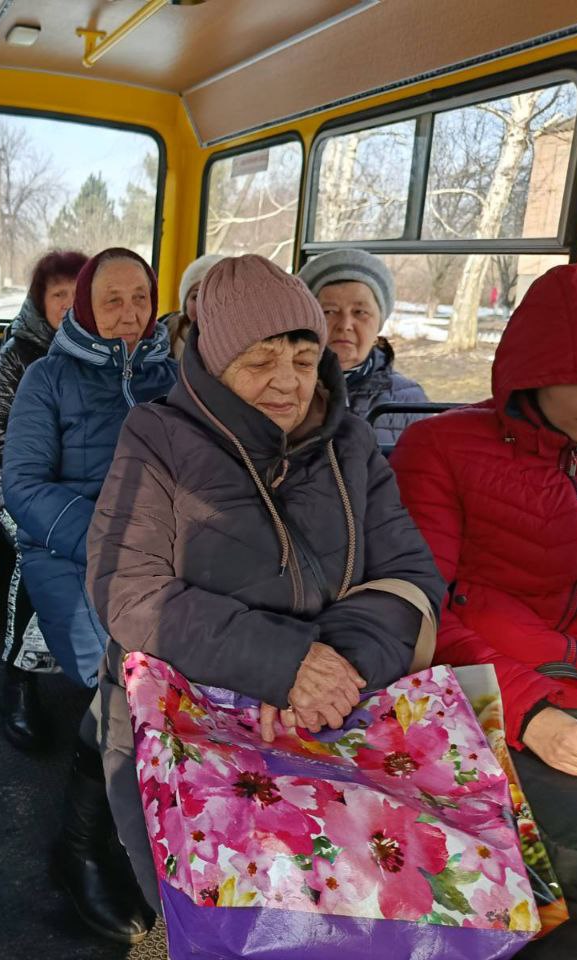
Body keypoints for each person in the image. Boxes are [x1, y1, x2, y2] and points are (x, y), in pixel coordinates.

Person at [88, 254, 443, 917]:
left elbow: (411, 577)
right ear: (216, 365)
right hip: (190, 704)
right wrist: (282, 663)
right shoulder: (158, 437)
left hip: (331, 703)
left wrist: (331, 671)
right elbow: (128, 589)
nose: (287, 382)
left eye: (304, 362)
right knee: (212, 907)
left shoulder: (350, 443)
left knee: (367, 898)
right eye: (260, 362)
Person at [391, 262, 577, 957]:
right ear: (534, 369)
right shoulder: (442, 449)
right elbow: (420, 607)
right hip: (495, 713)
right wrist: (528, 713)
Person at [3, 248, 177, 944]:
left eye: (141, 299)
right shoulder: (46, 378)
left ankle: (164, 819)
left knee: (188, 665)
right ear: (84, 309)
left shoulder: (177, 377)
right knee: (123, 670)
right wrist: (111, 541)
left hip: (166, 556)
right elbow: (24, 485)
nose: (130, 315)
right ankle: (80, 846)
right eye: (112, 301)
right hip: (68, 550)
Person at [0, 249, 87, 751]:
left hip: (90, 488)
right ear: (39, 302)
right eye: (57, 294)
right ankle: (18, 677)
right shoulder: (19, 355)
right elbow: (0, 435)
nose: (67, 304)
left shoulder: (111, 355)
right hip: (20, 481)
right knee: (39, 547)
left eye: (76, 294)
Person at [298, 248, 427, 444]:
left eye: (360, 312)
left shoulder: (409, 400)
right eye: (329, 311)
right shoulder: (282, 387)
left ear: (378, 326)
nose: (345, 325)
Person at [163, 253, 223, 360]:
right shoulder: (160, 338)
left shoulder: (244, 346)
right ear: (185, 303)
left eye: (215, 297)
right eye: (196, 297)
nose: (203, 306)